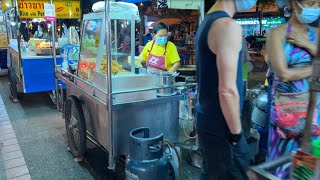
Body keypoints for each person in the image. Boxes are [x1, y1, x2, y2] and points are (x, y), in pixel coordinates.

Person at [195, 0, 258, 179]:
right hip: (222, 126)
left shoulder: (207, 21)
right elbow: (227, 90)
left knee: (212, 173)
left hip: (207, 119)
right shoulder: (227, 26)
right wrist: (237, 136)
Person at [266, 0, 319, 179]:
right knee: (280, 168)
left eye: (318, 3)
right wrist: (316, 69)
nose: (315, 8)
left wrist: (307, 44)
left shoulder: (317, 34)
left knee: (304, 171)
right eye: (311, 3)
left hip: (313, 115)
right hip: (286, 114)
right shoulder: (276, 34)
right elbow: (284, 74)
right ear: (293, 4)